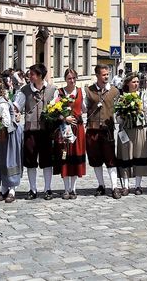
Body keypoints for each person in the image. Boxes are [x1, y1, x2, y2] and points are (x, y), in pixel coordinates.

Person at [14, 64, 57, 200]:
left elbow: (57, 108)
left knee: (47, 161)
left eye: (32, 74)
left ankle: (48, 189)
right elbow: (16, 106)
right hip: (30, 131)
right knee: (30, 161)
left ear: (39, 76)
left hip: (46, 130)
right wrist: (16, 113)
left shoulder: (52, 89)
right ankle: (32, 189)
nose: (29, 76)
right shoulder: (24, 90)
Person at [85, 64, 121, 198]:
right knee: (95, 159)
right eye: (104, 74)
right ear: (97, 75)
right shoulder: (89, 91)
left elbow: (118, 109)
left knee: (111, 158)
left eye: (107, 74)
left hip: (108, 129)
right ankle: (101, 185)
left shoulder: (114, 91)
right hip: (92, 129)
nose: (106, 77)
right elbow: (84, 108)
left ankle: (115, 187)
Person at [116, 72, 147, 195]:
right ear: (127, 83)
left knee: (139, 156)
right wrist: (123, 115)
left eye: (137, 82)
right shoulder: (122, 97)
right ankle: (126, 186)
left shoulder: (142, 95)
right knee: (125, 157)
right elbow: (116, 116)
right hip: (126, 130)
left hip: (139, 129)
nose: (136, 84)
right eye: (133, 82)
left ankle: (138, 186)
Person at [54, 68, 86, 199]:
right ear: (65, 79)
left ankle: (73, 188)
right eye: (69, 78)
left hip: (77, 129)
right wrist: (64, 117)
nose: (72, 81)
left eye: (73, 78)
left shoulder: (80, 91)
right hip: (64, 129)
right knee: (64, 157)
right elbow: (53, 110)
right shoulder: (60, 92)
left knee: (76, 157)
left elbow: (85, 108)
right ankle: (66, 189)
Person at [0, 76, 22, 202]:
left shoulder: (2, 101)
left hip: (9, 133)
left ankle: (12, 190)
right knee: (2, 160)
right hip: (3, 134)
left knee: (11, 161)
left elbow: (6, 120)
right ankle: (4, 189)